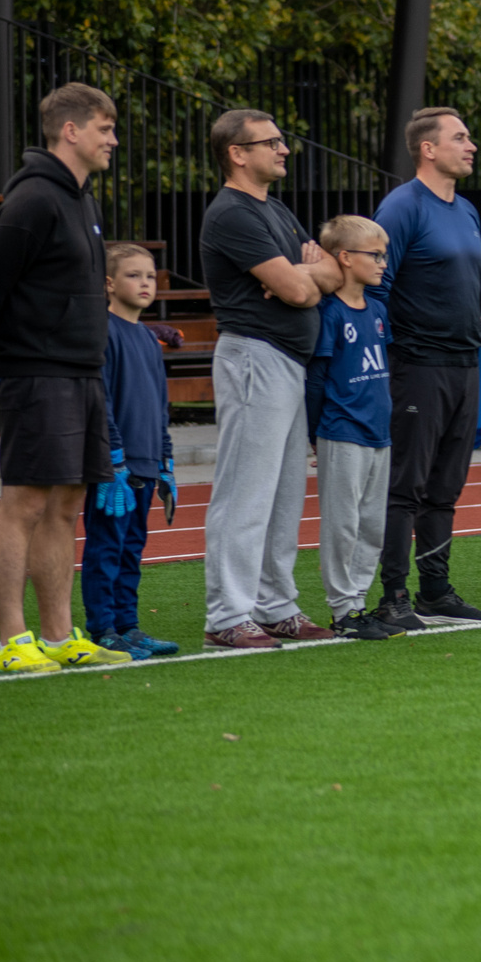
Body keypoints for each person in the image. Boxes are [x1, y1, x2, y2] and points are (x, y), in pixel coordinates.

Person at [0, 84, 134, 669]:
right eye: (104, 128)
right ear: (71, 130)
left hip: (81, 371)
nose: (113, 140)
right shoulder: (35, 198)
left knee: (67, 504)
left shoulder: (83, 200)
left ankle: (60, 640)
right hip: (34, 371)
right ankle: (11, 641)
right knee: (26, 502)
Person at [200, 105, 346, 648]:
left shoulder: (277, 211)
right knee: (245, 492)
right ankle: (227, 615)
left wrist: (306, 273)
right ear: (237, 153)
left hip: (285, 362)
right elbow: (299, 290)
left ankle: (274, 605)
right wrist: (305, 275)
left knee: (284, 492)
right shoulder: (232, 213)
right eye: (271, 142)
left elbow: (330, 272)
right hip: (254, 359)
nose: (284, 149)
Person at [371, 107, 481, 635]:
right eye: (459, 137)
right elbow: (376, 286)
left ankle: (436, 591)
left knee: (446, 485)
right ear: (427, 148)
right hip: (417, 365)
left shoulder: (465, 209)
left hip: (466, 363)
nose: (470, 145)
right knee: (408, 486)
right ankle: (394, 596)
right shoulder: (401, 208)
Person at [78, 244, 178, 660]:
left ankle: (127, 625)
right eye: (134, 275)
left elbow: (160, 405)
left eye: (150, 277)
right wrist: (113, 456)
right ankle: (102, 627)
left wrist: (165, 459)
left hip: (145, 464)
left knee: (133, 547)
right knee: (107, 547)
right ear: (108, 283)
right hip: (114, 467)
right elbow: (101, 401)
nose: (144, 284)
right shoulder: (102, 331)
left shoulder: (149, 338)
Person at [306, 215, 399, 638]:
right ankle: (342, 610)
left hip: (379, 432)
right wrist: (315, 432)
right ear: (344, 258)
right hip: (342, 432)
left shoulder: (378, 309)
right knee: (342, 525)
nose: (383, 262)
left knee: (372, 524)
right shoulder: (329, 312)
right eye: (374, 255)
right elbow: (318, 377)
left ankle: (359, 602)